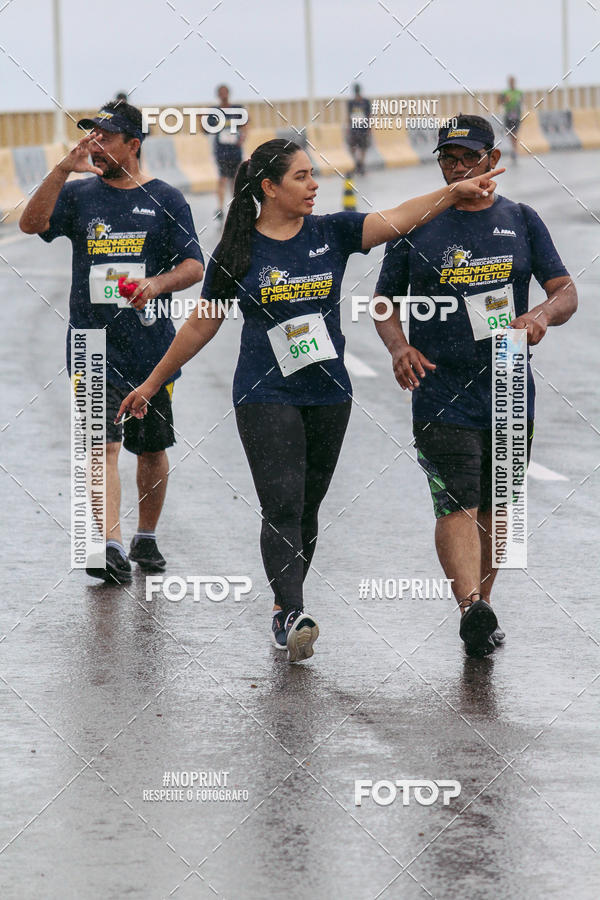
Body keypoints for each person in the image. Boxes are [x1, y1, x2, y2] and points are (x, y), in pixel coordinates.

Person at [117, 138, 502, 662]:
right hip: (264, 393)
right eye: (301, 176)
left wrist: (451, 193)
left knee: (308, 508)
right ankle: (291, 611)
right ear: (270, 187)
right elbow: (201, 324)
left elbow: (398, 217)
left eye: (313, 174)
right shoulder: (240, 249)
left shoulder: (331, 232)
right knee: (281, 505)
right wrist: (151, 382)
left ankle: (285, 603)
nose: (314, 185)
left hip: (328, 394)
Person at [372, 114, 577, 656]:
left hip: (509, 382)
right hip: (439, 385)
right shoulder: (419, 226)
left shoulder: (522, 219)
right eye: (446, 157)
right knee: (456, 501)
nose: (455, 166)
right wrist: (399, 346)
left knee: (499, 506)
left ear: (492, 159)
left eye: (465, 156)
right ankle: (470, 607)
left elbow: (565, 291)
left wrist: (540, 316)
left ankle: (480, 608)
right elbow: (383, 303)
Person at [19, 101, 205, 584]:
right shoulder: (79, 195)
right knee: (101, 445)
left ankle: (145, 534)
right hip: (90, 343)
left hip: (151, 348)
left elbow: (194, 266)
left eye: (105, 137)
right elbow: (30, 224)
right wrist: (62, 168)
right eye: (91, 136)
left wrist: (157, 284)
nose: (94, 145)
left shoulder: (166, 198)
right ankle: (110, 544)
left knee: (151, 447)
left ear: (134, 144)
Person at [210, 84, 247, 220]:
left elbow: (245, 125)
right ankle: (220, 208)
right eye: (221, 92)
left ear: (229, 93)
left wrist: (242, 138)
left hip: (235, 149)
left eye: (225, 92)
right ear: (218, 95)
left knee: (235, 178)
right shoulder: (214, 111)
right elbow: (206, 128)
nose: (224, 95)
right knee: (222, 178)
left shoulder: (237, 109)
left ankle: (235, 205)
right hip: (221, 150)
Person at [347, 83, 371, 175]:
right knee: (353, 147)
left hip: (362, 128)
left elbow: (369, 115)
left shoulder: (365, 102)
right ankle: (358, 163)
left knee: (362, 147)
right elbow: (349, 116)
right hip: (355, 128)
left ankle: (361, 164)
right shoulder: (351, 103)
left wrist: (369, 127)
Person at [499, 76, 523, 161]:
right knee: (510, 132)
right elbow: (500, 102)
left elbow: (522, 101)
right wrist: (506, 100)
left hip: (516, 115)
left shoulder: (519, 92)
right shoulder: (505, 92)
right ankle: (514, 148)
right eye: (510, 81)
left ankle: (515, 150)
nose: (512, 83)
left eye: (513, 81)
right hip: (508, 114)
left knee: (515, 132)